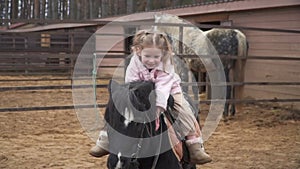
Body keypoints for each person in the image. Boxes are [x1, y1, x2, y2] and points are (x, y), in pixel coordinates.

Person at [89, 29, 212, 165]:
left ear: (163, 54)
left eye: (156, 57)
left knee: (185, 111)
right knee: (118, 109)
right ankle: (105, 138)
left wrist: (159, 106)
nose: (151, 61)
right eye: (147, 56)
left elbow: (163, 87)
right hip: (141, 92)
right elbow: (131, 82)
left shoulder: (166, 64)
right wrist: (130, 97)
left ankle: (194, 145)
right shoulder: (134, 63)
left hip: (169, 90)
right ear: (138, 51)